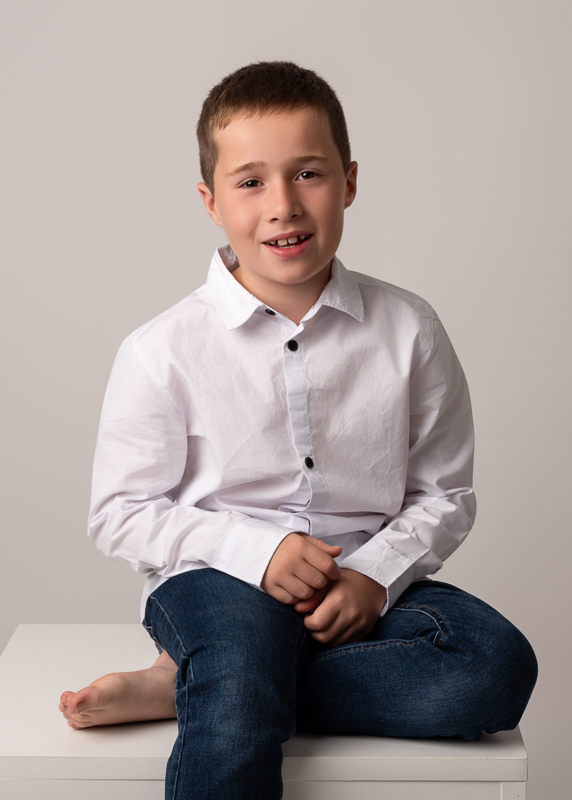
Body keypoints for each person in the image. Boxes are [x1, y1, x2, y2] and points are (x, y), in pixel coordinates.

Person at [59, 61, 537, 799]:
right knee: (242, 665)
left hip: (365, 574)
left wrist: (373, 577)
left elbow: (445, 494)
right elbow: (119, 512)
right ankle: (228, 677)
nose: (282, 205)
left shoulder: (409, 328)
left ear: (348, 181)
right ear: (210, 201)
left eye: (307, 174)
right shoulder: (162, 349)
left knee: (492, 666)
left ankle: (198, 682)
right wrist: (256, 550)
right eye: (250, 182)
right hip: (215, 579)